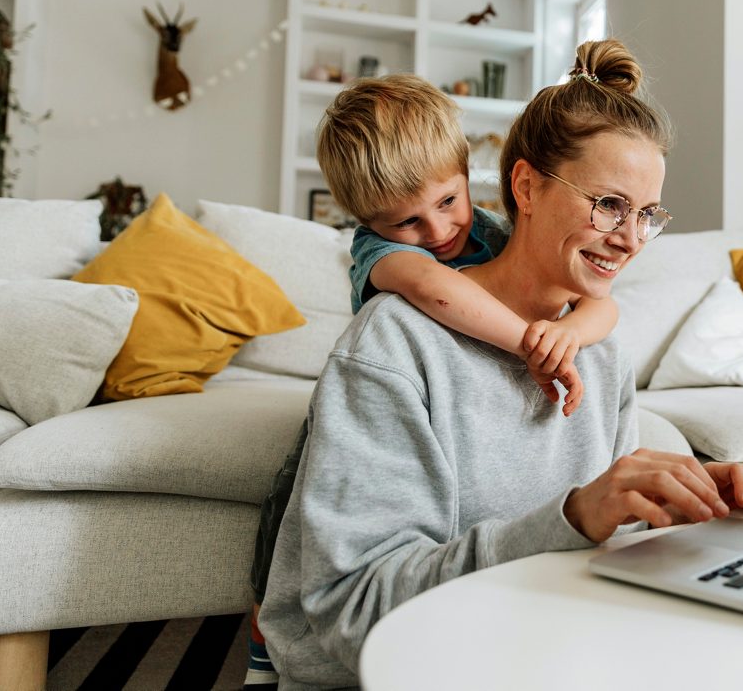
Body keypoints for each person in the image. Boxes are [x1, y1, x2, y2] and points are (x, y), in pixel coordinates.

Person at [257, 40, 743, 689]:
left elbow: (594, 540)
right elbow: (349, 611)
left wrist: (681, 502)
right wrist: (574, 516)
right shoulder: (395, 341)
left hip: (551, 647)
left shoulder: (600, 348)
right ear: (526, 186)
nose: (631, 238)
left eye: (647, 214)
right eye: (609, 204)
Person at [243, 73, 618, 686]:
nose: (439, 233)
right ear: (367, 221)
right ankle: (265, 635)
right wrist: (531, 344)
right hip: (352, 417)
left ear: (469, 170)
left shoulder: (495, 230)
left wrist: (571, 336)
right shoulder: (381, 254)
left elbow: (605, 307)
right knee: (290, 519)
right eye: (406, 222)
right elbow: (437, 293)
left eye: (447, 202)